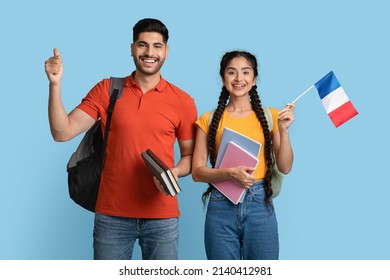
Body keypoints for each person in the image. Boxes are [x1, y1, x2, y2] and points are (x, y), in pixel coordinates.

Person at [45, 18, 197, 260]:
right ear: (132, 48)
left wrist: (175, 172)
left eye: (157, 46)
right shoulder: (108, 90)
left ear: (166, 51)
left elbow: (190, 157)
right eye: (142, 45)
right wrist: (55, 84)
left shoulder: (183, 101)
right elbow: (62, 132)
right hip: (111, 216)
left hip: (162, 217)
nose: (149, 52)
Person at [191, 50, 295, 260]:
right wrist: (229, 173)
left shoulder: (272, 116)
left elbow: (285, 167)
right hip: (221, 205)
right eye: (232, 72)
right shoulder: (208, 120)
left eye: (245, 72)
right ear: (223, 79)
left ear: (254, 78)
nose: (239, 79)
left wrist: (283, 131)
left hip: (259, 202)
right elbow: (197, 172)